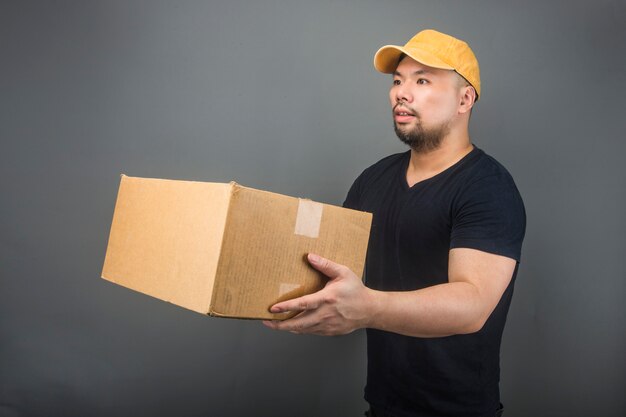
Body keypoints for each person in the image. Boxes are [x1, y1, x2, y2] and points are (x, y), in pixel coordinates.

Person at [263, 29, 526, 417]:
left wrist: (367, 307)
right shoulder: (373, 179)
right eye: (398, 81)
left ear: (464, 99)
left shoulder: (488, 188)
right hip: (382, 406)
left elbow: (473, 305)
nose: (402, 93)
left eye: (422, 80)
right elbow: (326, 262)